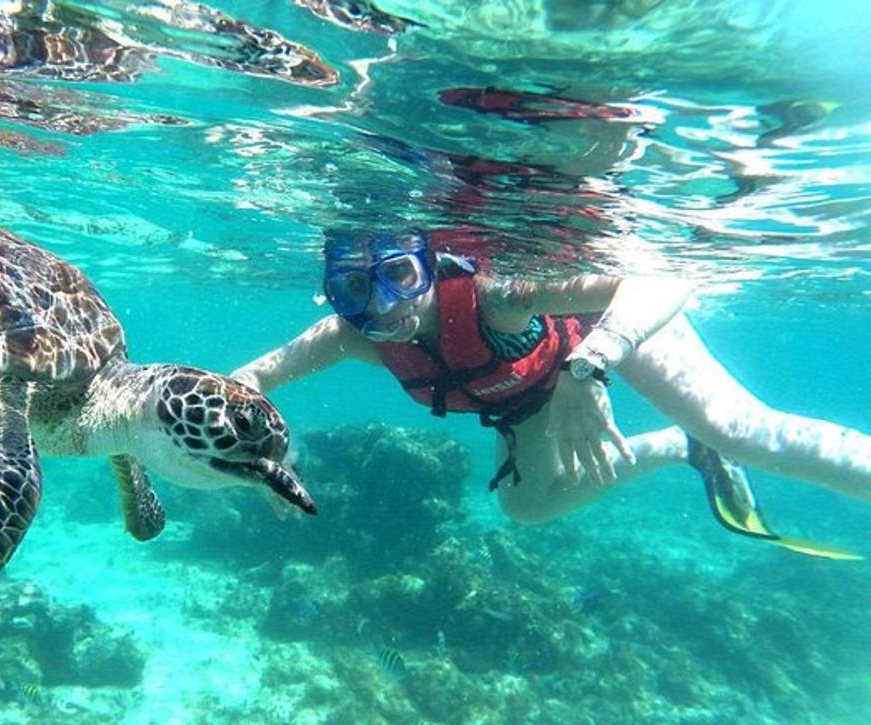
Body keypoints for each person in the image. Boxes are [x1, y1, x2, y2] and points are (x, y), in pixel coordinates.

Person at [231, 228, 870, 559]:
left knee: (745, 431)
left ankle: (713, 440)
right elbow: (244, 384)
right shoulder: (348, 337)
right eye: (353, 288)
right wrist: (266, 455)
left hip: (611, 332)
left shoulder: (500, 296)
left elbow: (662, 280)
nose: (384, 307)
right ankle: (686, 449)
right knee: (529, 508)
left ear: (428, 262)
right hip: (529, 393)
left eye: (399, 275)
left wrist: (590, 365)